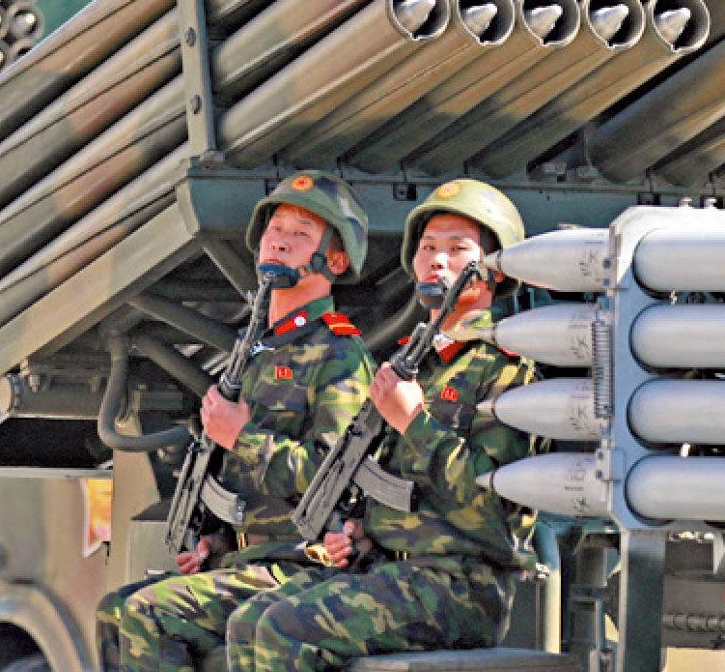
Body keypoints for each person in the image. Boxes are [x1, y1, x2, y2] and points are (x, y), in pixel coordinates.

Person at [225, 178, 542, 672]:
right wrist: (358, 531)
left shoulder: (506, 368)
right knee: (249, 622)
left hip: (459, 586)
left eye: (457, 249)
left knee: (285, 629)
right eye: (428, 248)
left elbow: (495, 508)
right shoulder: (414, 366)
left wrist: (413, 422)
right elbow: (389, 483)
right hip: (388, 571)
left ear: (494, 270)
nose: (437, 260)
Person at [95, 170, 375, 672]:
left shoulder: (338, 353)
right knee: (113, 612)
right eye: (275, 229)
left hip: (303, 568)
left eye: (301, 234)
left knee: (147, 614)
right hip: (248, 561)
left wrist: (242, 437)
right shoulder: (256, 351)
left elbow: (337, 479)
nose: (280, 241)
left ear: (334, 260)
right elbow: (246, 487)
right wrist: (215, 542)